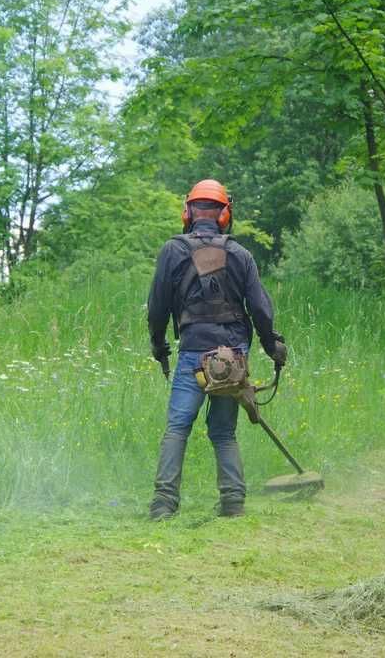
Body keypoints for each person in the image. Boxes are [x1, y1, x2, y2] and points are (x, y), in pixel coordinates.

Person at [147, 179, 286, 520]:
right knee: (223, 431)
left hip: (193, 353)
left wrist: (159, 345)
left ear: (187, 212)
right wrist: (273, 346)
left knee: (178, 426)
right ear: (226, 214)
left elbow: (157, 307)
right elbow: (260, 308)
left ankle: (164, 504)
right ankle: (233, 502)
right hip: (231, 359)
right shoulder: (240, 254)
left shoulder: (172, 251)